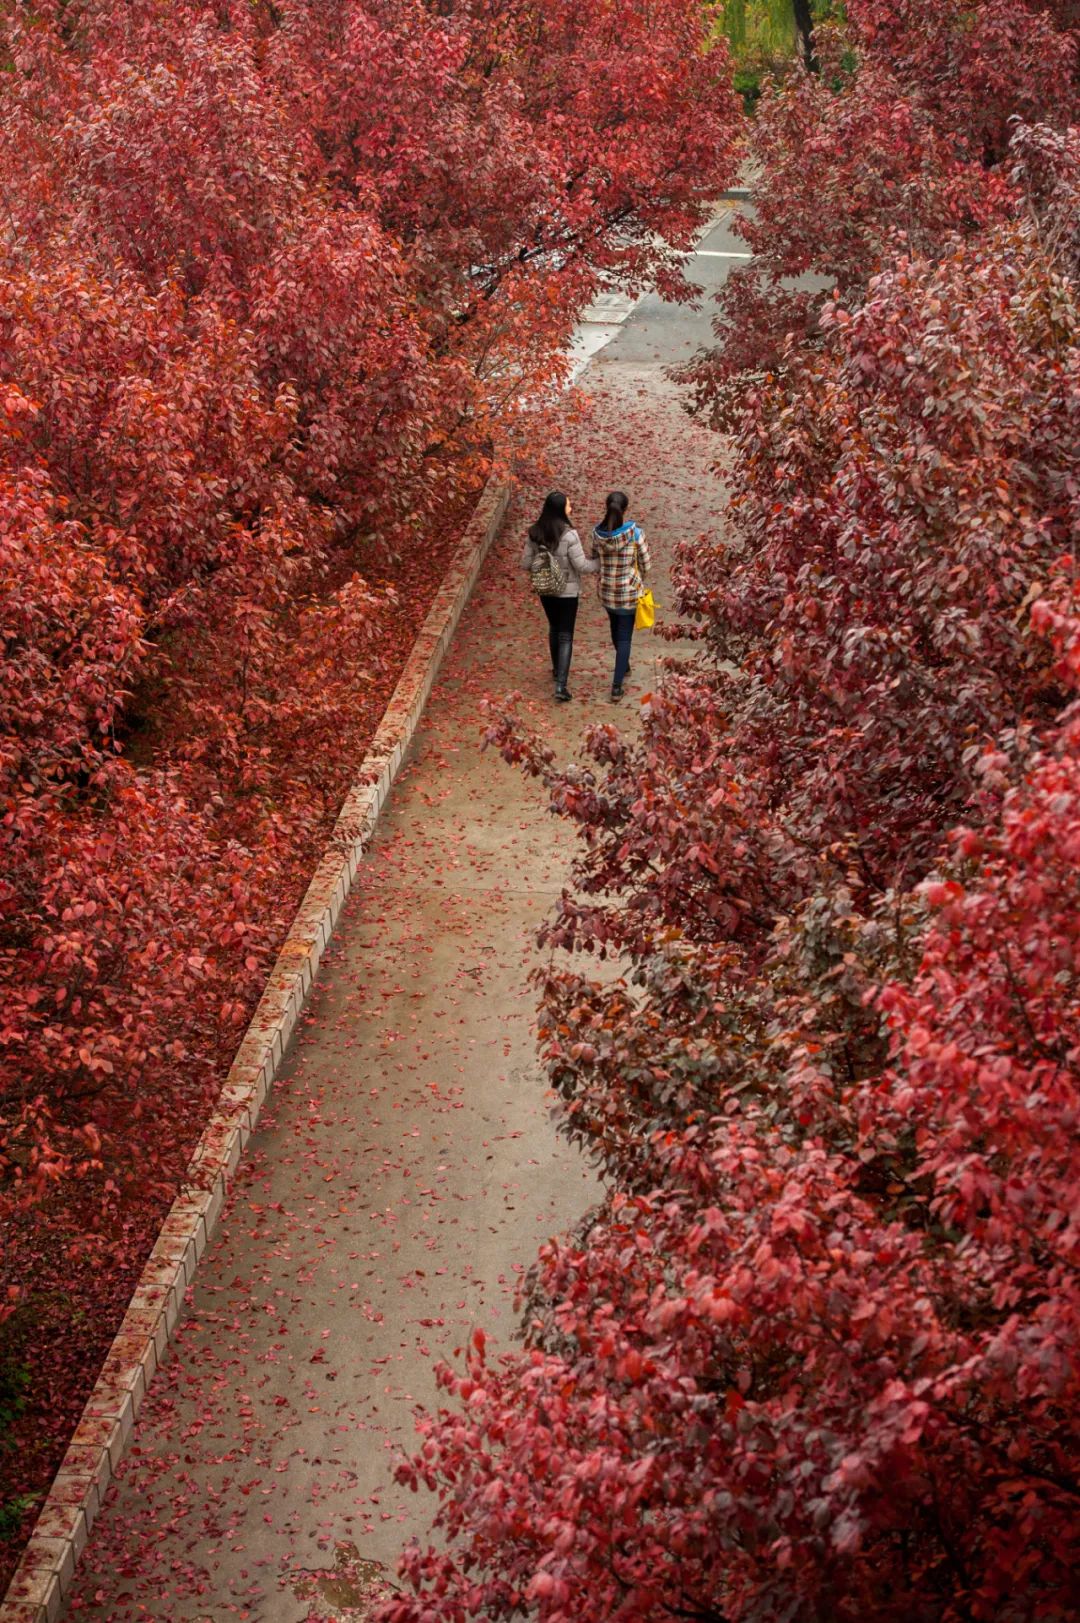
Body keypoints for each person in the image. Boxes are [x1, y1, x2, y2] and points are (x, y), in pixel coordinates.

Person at [521, 490, 598, 702]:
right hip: (567, 593)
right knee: (565, 635)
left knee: (554, 628)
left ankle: (556, 670)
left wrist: (543, 562)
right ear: (560, 510)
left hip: (545, 590)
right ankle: (561, 686)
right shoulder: (569, 535)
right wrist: (601, 563)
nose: (570, 508)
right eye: (568, 505)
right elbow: (582, 566)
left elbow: (525, 563)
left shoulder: (534, 532)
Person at [592, 491, 651, 701]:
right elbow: (646, 564)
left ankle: (623, 664)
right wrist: (637, 577)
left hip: (607, 592)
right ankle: (617, 685)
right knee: (625, 637)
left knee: (614, 628)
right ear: (625, 509)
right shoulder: (635, 534)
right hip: (629, 593)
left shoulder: (597, 534)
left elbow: (594, 557)